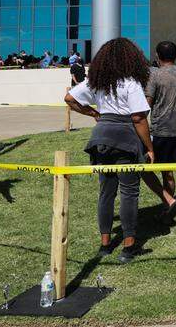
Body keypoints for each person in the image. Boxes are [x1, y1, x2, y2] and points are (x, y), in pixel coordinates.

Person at [65, 37, 156, 264]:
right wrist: (149, 147)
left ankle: (105, 244)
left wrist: (95, 114)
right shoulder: (131, 83)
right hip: (125, 137)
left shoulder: (96, 82)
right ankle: (128, 246)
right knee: (129, 192)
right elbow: (138, 117)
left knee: (106, 192)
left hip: (101, 138)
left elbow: (69, 98)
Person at [144, 40, 176, 218]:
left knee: (144, 169)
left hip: (160, 131)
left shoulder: (155, 76)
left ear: (157, 56)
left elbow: (146, 103)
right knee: (168, 171)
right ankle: (168, 205)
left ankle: (168, 204)